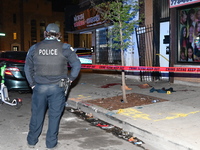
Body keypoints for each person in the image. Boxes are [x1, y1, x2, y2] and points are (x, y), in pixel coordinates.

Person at [24, 23, 81, 149]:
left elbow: (27, 68)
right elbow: (77, 65)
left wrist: (32, 84)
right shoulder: (65, 47)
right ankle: (51, 144)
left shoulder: (35, 47)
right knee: (54, 117)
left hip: (39, 87)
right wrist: (70, 80)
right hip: (58, 88)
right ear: (59, 34)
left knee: (37, 115)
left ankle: (32, 141)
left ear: (45, 33)